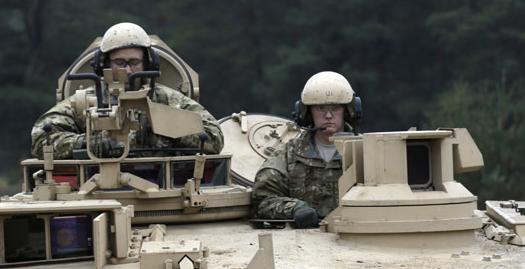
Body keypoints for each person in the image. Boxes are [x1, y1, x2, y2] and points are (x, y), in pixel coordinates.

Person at [31, 22, 223, 159]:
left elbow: (214, 138)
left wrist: (169, 125)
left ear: (148, 63)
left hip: (163, 189)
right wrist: (88, 142)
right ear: (104, 65)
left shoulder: (170, 101)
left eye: (134, 62)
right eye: (120, 63)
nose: (128, 70)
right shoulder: (85, 101)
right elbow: (42, 139)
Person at [251, 71, 361, 228]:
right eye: (320, 108)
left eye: (335, 108)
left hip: (356, 236)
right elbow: (263, 200)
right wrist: (295, 209)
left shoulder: (365, 151)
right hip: (302, 242)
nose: (328, 115)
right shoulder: (288, 155)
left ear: (348, 111)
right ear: (308, 114)